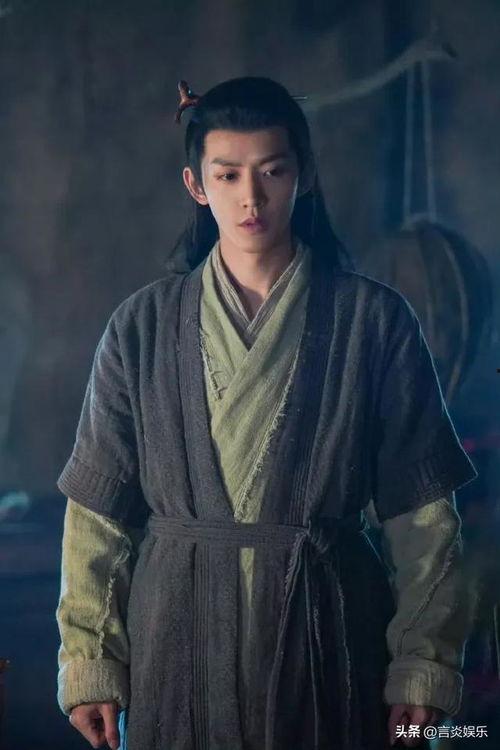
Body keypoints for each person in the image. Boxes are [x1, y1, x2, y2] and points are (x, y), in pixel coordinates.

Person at [55, 76, 477, 750]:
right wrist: (90, 661)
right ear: (197, 185)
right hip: (176, 642)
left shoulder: (374, 322)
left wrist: (422, 665)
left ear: (302, 175)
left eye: (272, 171)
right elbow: (97, 517)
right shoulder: (141, 327)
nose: (250, 197)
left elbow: (423, 519)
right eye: (227, 175)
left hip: (328, 632)